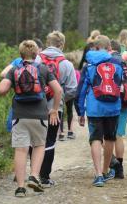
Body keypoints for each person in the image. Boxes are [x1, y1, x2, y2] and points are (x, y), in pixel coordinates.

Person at [0, 40, 62, 197]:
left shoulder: (14, 69)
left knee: (20, 150)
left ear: (20, 55)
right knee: (39, 145)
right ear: (37, 53)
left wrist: (9, 79)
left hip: (19, 115)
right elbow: (58, 90)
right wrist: (53, 110)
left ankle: (20, 188)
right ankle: (34, 175)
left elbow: (2, 90)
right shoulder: (43, 68)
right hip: (40, 115)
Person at [75, 35, 123, 187]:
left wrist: (80, 112)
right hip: (113, 108)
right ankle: (105, 170)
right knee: (110, 139)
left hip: (95, 108)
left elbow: (81, 91)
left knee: (95, 139)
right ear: (109, 48)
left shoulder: (88, 66)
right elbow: (119, 85)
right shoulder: (118, 65)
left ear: (95, 48)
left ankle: (98, 175)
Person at [37, 31, 77, 187]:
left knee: (35, 140)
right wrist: (59, 100)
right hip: (54, 109)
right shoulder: (66, 64)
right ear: (62, 45)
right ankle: (44, 177)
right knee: (49, 141)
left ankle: (33, 174)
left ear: (47, 43)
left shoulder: (36, 59)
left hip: (34, 107)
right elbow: (72, 89)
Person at [108, 40, 127, 179]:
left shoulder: (108, 61)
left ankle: (113, 163)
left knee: (107, 136)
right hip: (124, 102)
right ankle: (120, 168)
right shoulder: (125, 63)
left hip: (110, 102)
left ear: (110, 49)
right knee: (118, 135)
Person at [59, 53, 80, 140]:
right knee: (70, 110)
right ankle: (70, 131)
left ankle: (61, 133)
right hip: (71, 92)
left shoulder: (61, 68)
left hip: (61, 89)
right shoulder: (77, 72)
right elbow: (77, 83)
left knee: (61, 111)